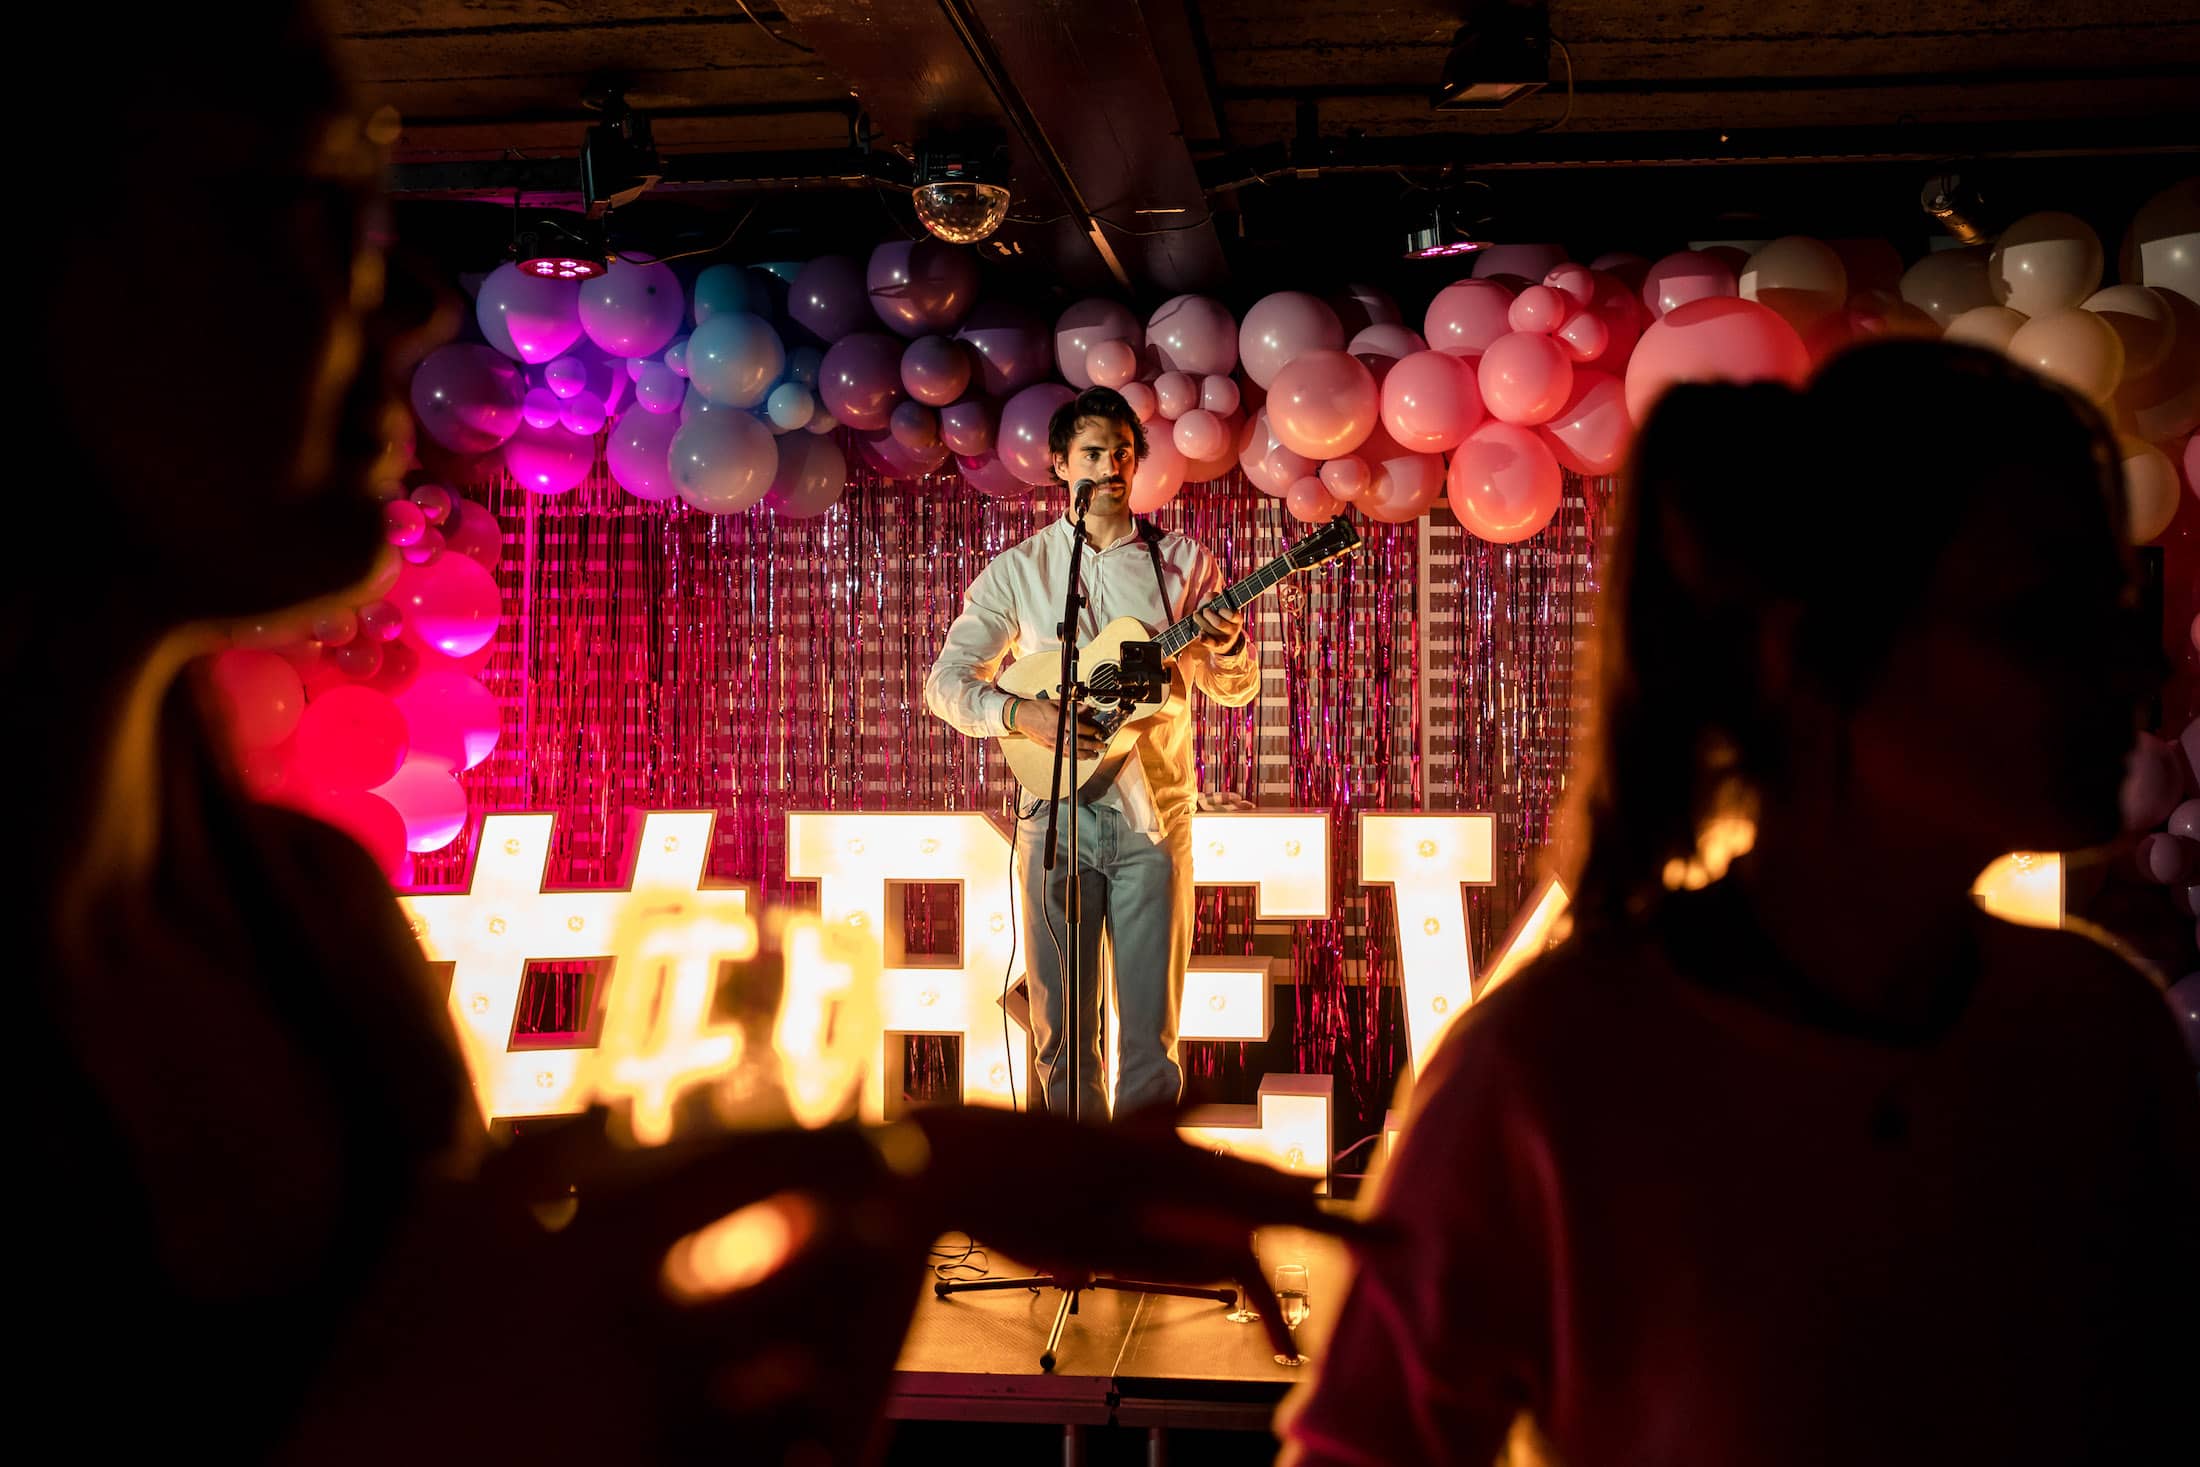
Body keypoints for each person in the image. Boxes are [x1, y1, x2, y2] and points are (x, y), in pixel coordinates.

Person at [22, 6, 1351, 1460]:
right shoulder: (1018, 576)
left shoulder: (304, 910)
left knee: (1136, 1029)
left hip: (1149, 811)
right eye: (304, 205)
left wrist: (921, 1178)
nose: (404, 297)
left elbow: (428, 1330)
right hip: (1053, 805)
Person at [1281, 342, 2200, 1466]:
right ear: (1812, 655)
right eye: (2041, 619)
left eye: (2109, 606)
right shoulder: (1548, 1085)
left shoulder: (2105, 1038)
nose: (2129, 665)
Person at [925, 387, 1259, 1119]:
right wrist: (1019, 711)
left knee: (1151, 1043)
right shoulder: (1022, 569)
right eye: (1093, 453)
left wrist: (1228, 643)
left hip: (1155, 824)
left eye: (1122, 452)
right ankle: (1068, 1209)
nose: (1110, 465)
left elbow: (1233, 690)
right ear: (1058, 464)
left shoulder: (1181, 564)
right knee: (1061, 1042)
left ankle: (1142, 1216)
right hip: (1055, 824)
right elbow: (944, 684)